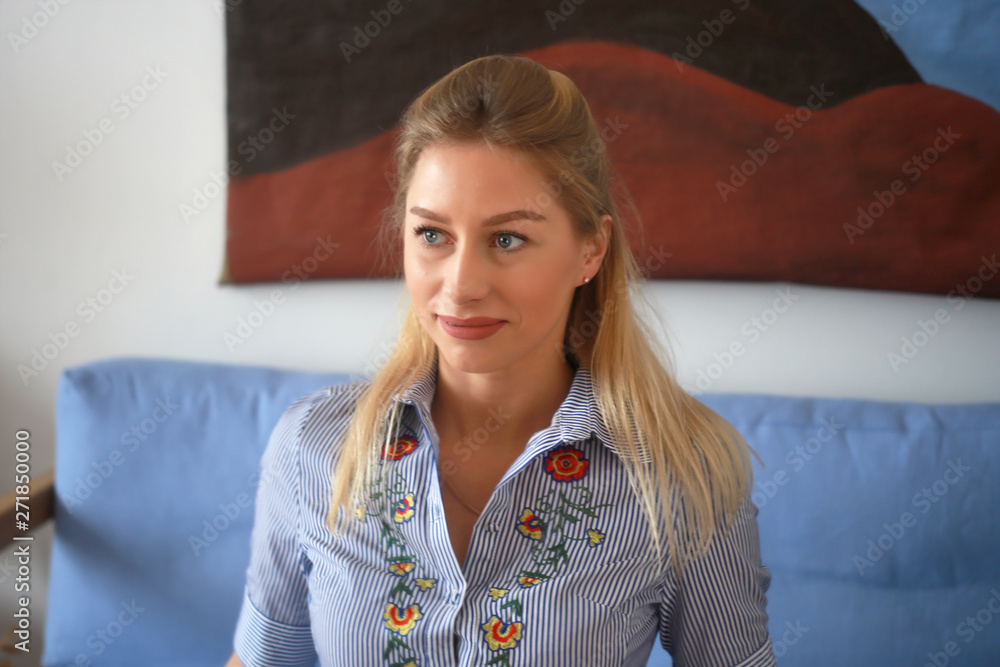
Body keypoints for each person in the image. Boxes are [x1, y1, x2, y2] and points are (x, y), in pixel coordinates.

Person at [226, 54, 776, 667]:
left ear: (590, 250)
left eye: (507, 239)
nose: (461, 286)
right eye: (432, 235)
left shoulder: (684, 475)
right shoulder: (314, 445)